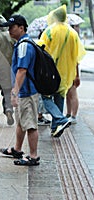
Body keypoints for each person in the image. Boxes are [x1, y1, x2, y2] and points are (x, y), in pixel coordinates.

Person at [38, 5, 86, 137]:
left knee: (46, 97)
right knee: (59, 97)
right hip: (65, 74)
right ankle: (55, 127)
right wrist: (76, 73)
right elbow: (77, 55)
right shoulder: (73, 33)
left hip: (50, 72)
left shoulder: (49, 31)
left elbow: (41, 50)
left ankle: (60, 119)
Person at [0, 15, 40, 166]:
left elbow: (22, 70)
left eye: (12, 27)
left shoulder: (24, 45)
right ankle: (17, 149)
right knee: (21, 122)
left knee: (29, 124)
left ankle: (33, 156)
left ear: (21, 28)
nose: (9, 30)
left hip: (27, 92)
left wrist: (14, 92)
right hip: (24, 91)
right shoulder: (21, 43)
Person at [65, 23, 83, 124]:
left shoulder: (73, 41)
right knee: (68, 94)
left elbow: (76, 61)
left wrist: (77, 75)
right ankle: (68, 113)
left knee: (72, 93)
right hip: (67, 72)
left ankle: (73, 115)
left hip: (71, 72)